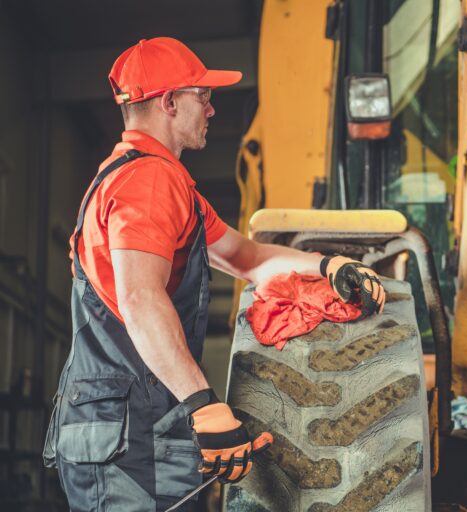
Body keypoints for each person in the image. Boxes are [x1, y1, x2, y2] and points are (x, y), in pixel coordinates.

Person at [42, 37, 386, 511]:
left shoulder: (162, 181)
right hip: (132, 436)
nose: (211, 109)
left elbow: (248, 259)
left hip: (131, 426)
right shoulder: (148, 182)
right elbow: (141, 298)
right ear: (168, 102)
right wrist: (202, 405)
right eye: (201, 96)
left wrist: (329, 265)